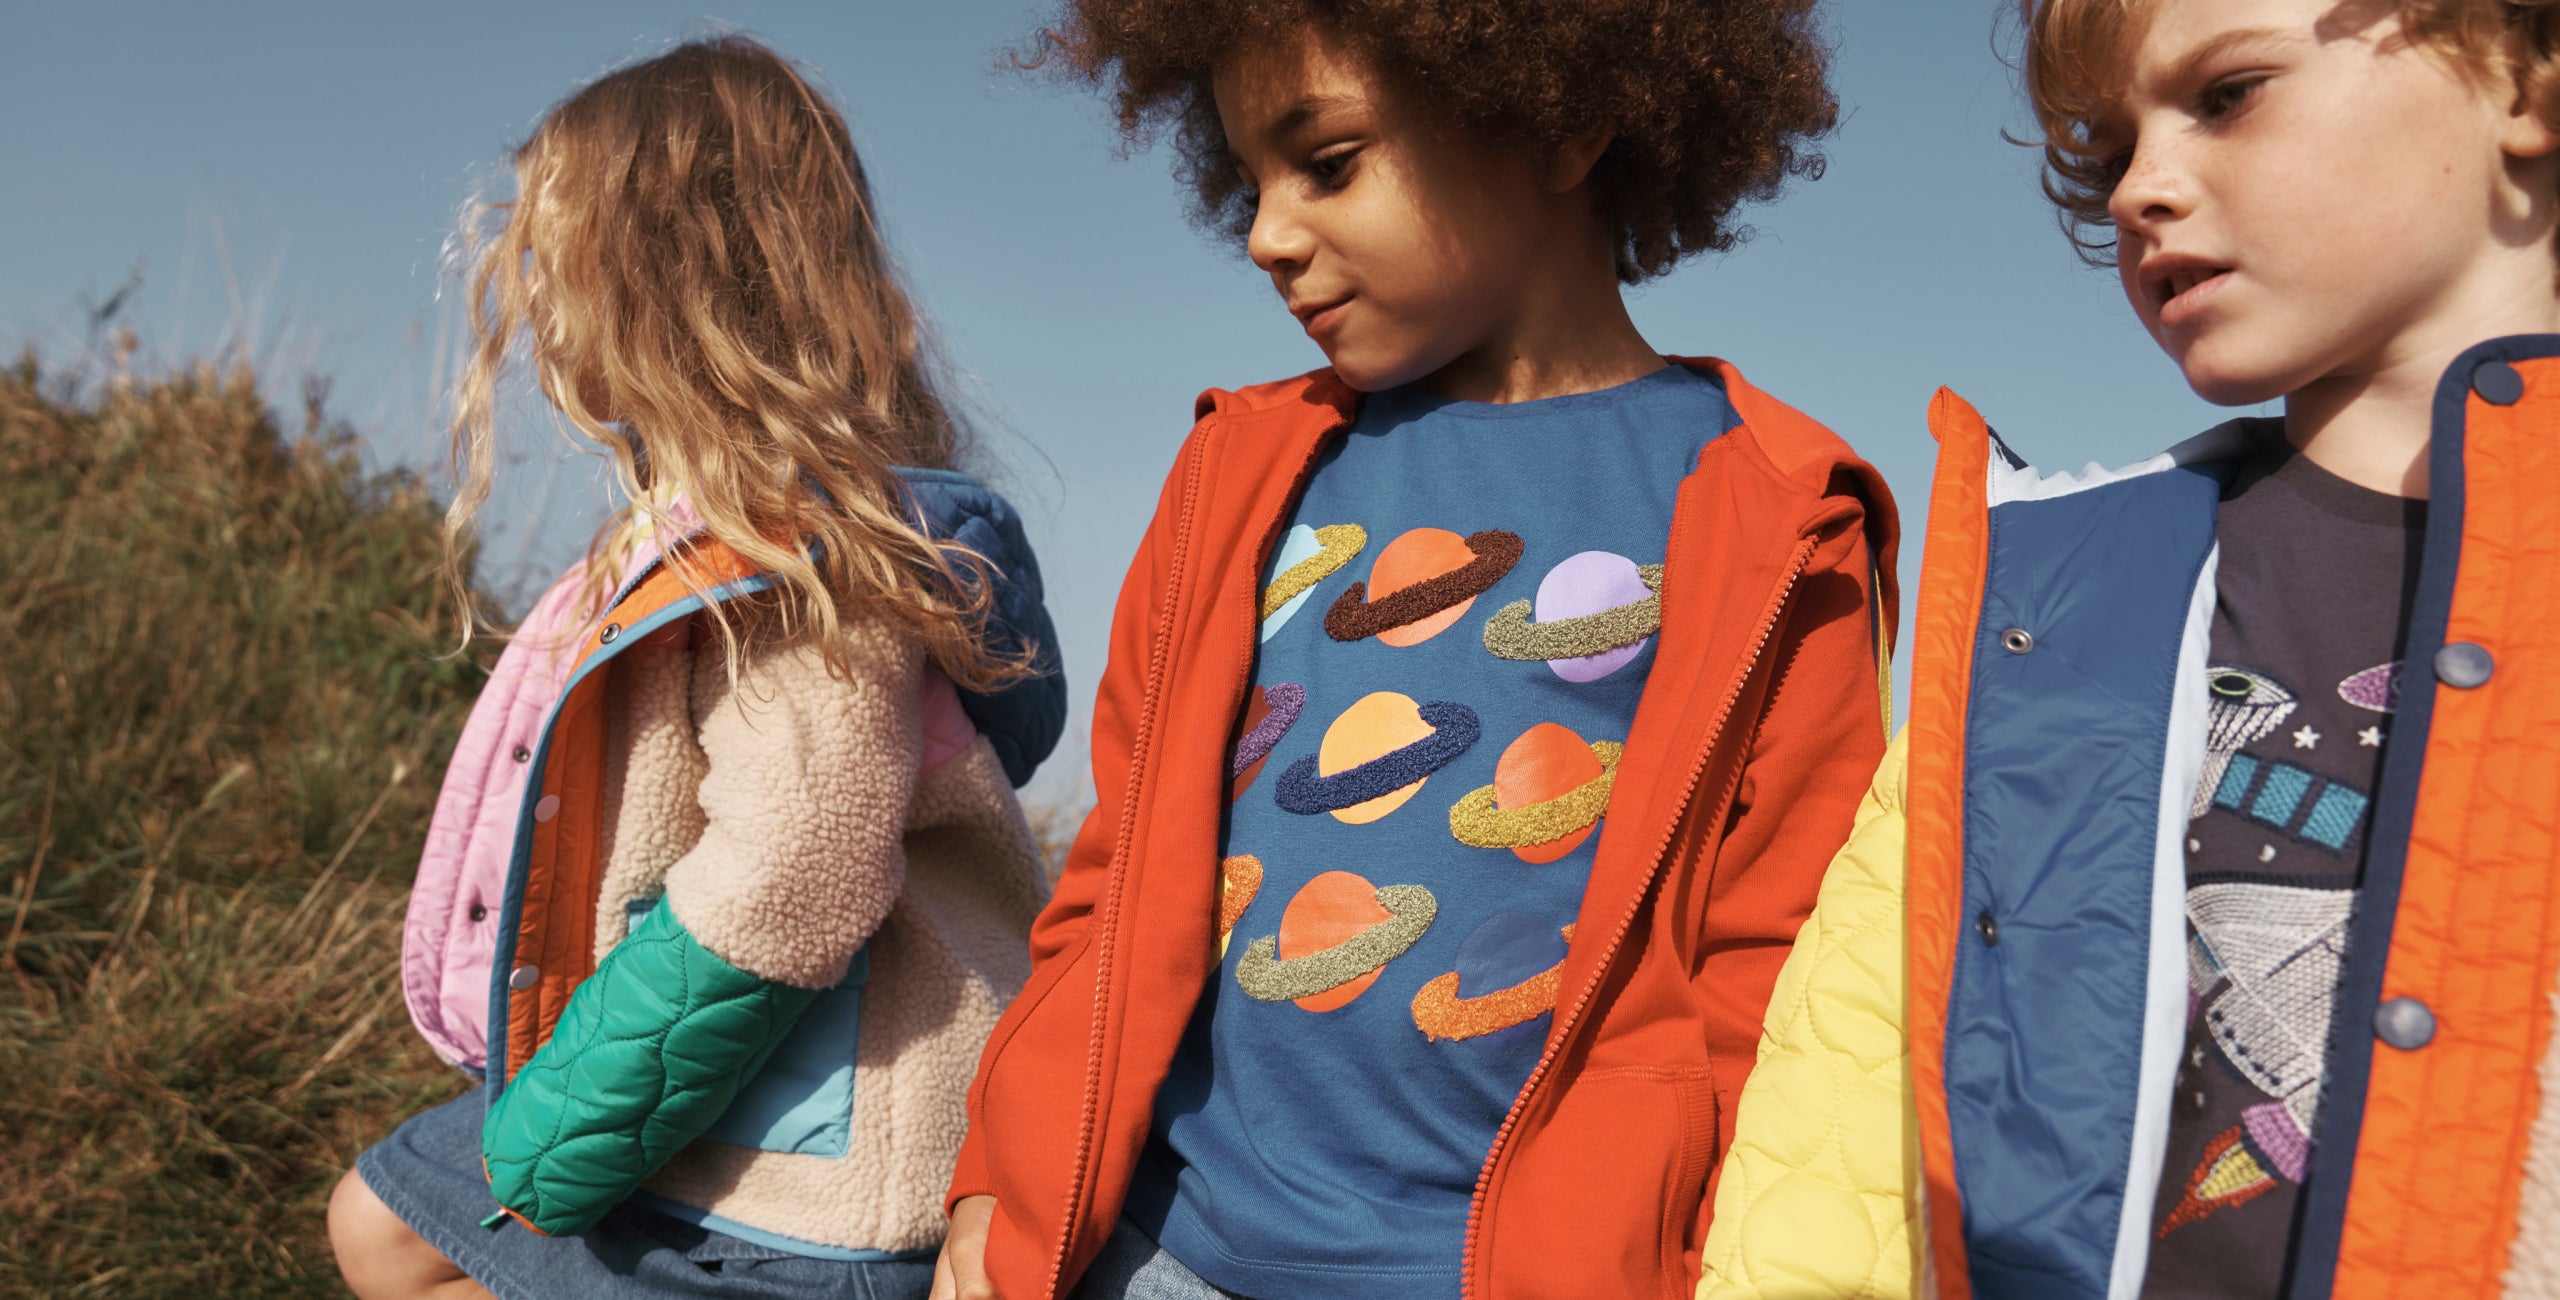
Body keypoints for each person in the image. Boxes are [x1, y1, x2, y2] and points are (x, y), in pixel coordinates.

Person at [933, 4, 1899, 1298]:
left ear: (1558, 119)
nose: (1269, 234)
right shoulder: (1238, 474)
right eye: (1249, 180)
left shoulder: (1777, 515)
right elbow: (1111, 885)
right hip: (1159, 1254)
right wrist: (1003, 1179)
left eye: (1327, 161)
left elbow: (1774, 976)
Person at [1695, 0, 2560, 1295]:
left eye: (2227, 95)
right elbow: (1838, 1151)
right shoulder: (2044, 610)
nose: (2142, 192)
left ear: (2522, 79)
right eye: (2108, 155)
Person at [325, 36, 1067, 1300]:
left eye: (554, 263)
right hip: (717, 1096)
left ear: (658, 283)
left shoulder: (802, 559)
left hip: (815, 1168)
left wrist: (565, 1124)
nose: (534, 301)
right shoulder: (699, 536)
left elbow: (798, 864)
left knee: (401, 1240)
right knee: (388, 1224)